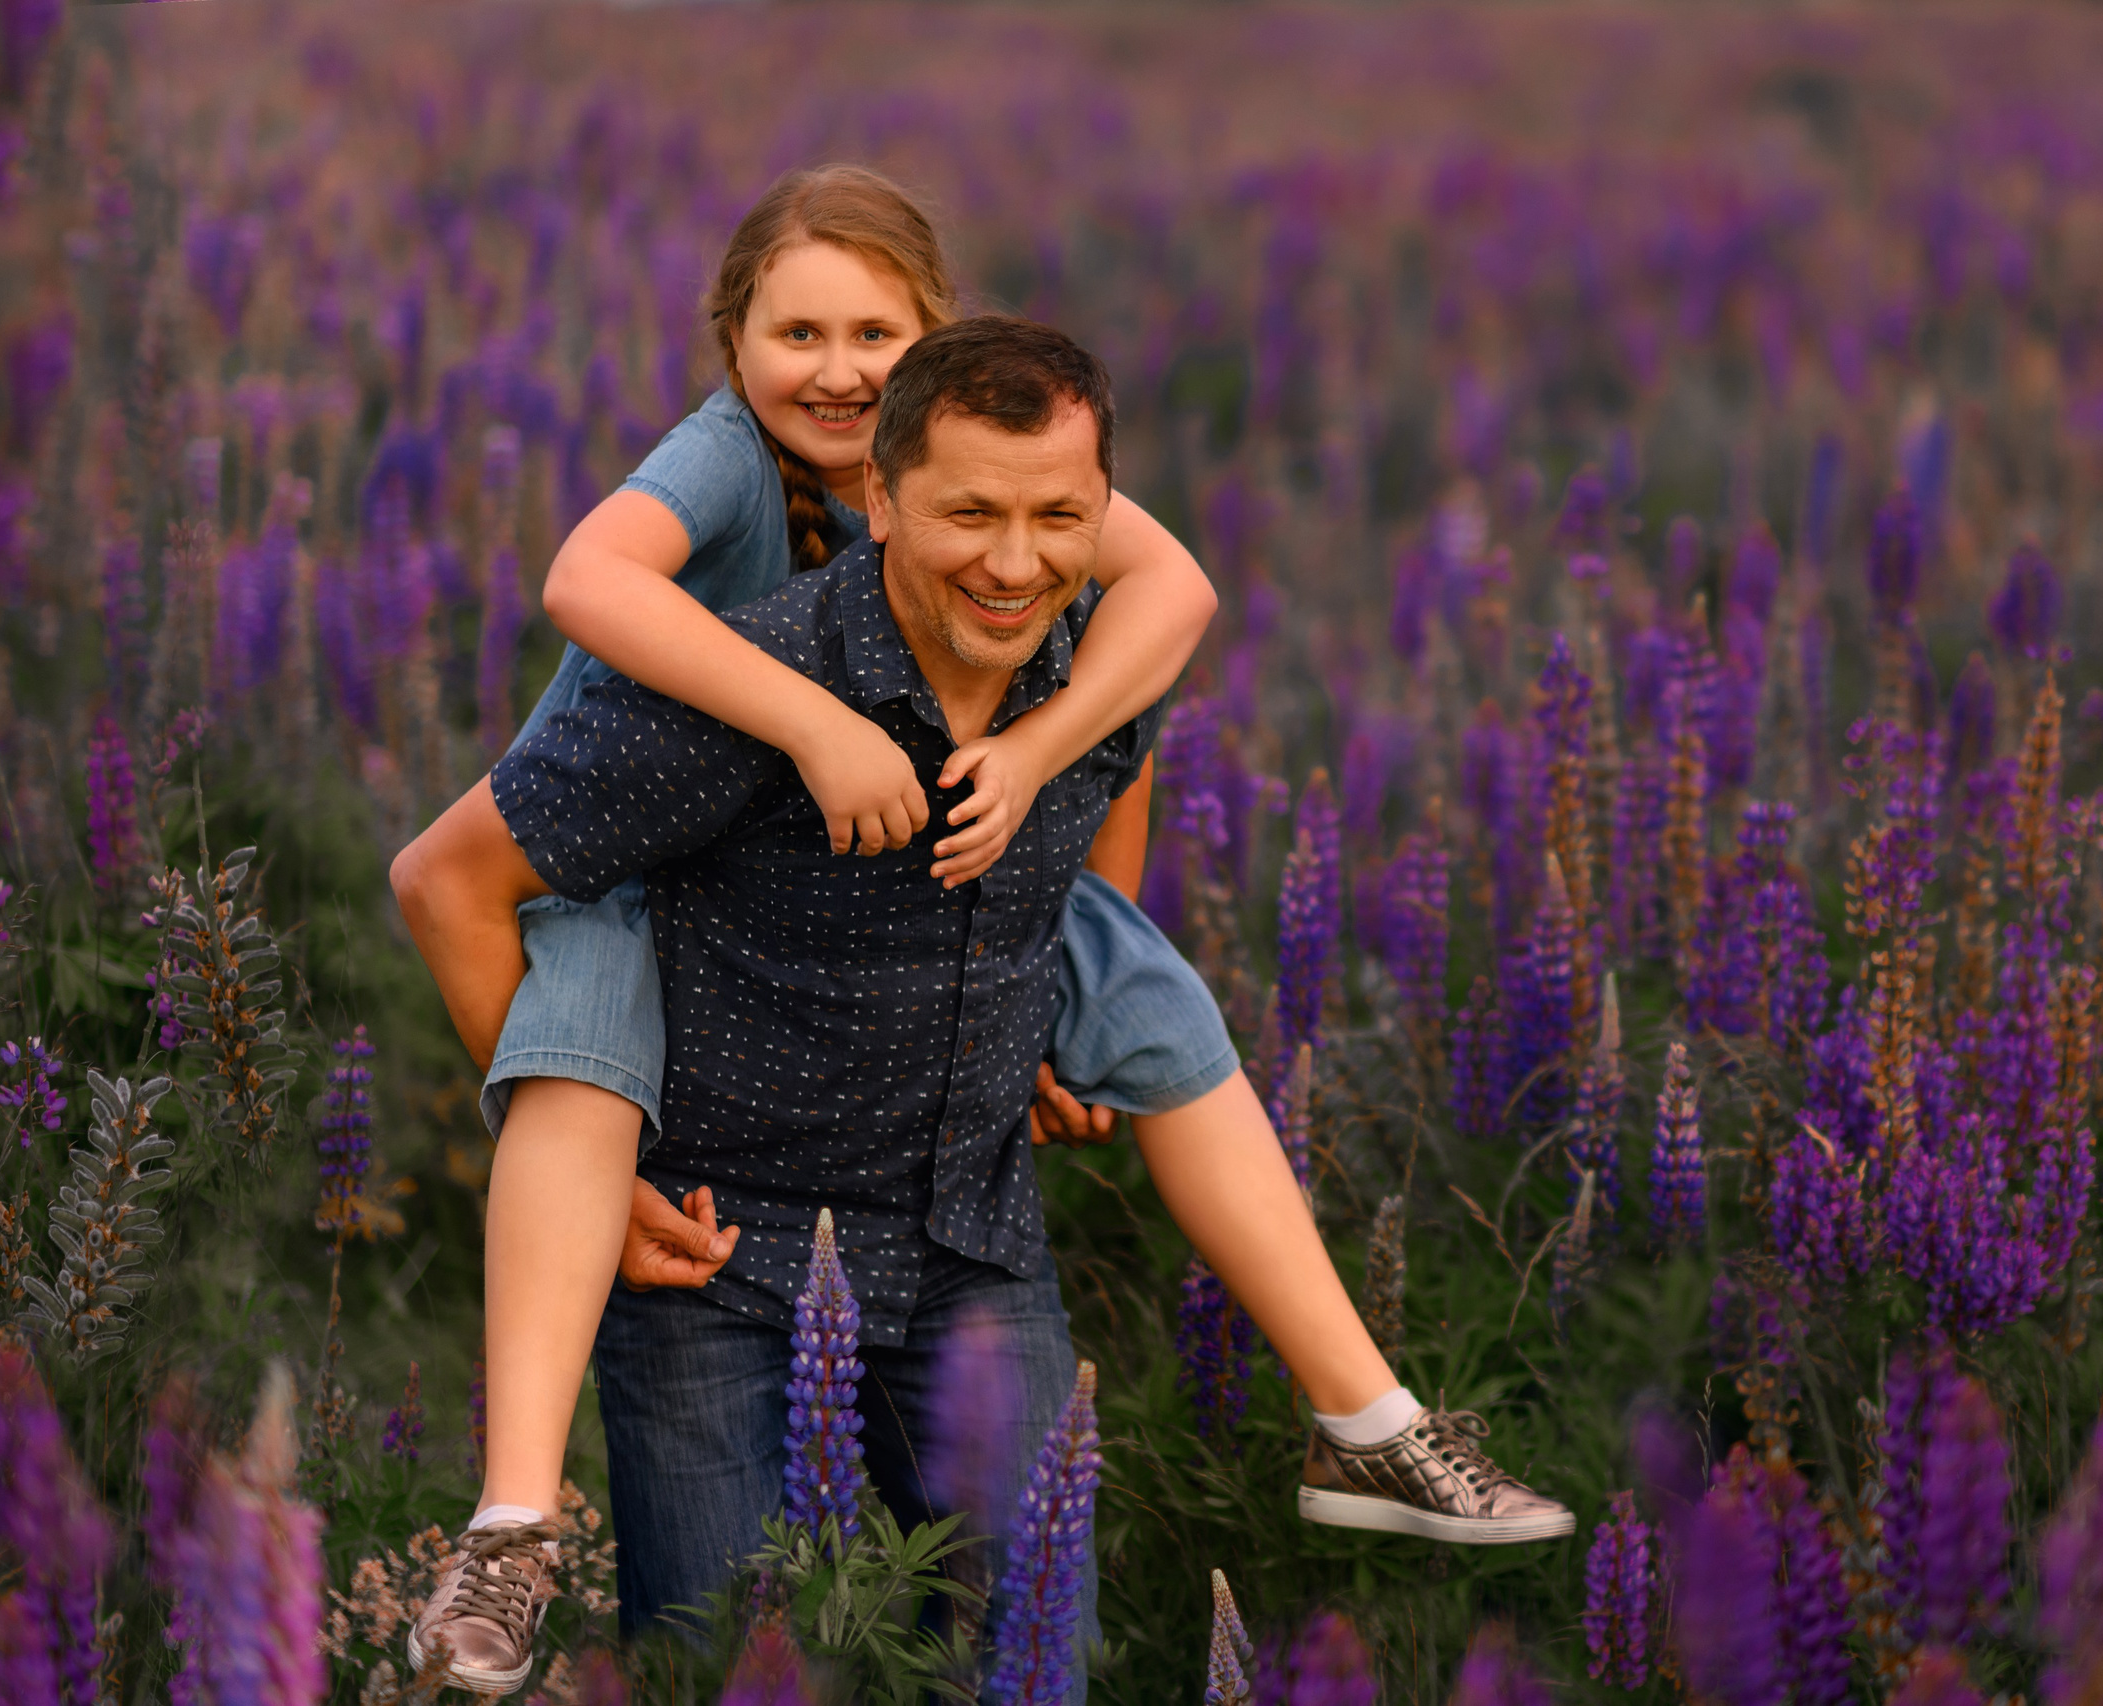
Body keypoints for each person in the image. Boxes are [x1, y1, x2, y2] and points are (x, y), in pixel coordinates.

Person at [392, 196, 1566, 1696]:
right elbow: (461, 846)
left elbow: (1123, 718)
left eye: (874, 338)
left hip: (965, 1230)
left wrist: (1054, 976)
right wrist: (813, 725)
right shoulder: (728, 636)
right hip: (722, 1236)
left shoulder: (1084, 630)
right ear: (882, 493)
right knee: (721, 1662)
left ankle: (1369, 1415)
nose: (1017, 559)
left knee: (1030, 1662)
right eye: (797, 334)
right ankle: (513, 1523)